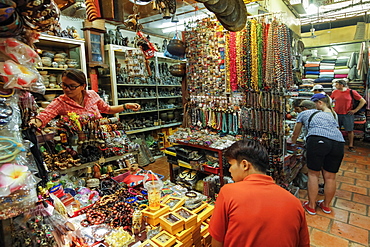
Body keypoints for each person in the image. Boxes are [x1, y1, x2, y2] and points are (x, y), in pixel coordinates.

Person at [208, 139, 310, 247]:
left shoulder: (228, 193)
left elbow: (217, 242)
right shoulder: (295, 203)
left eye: (231, 164)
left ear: (244, 165)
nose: (229, 170)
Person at [291, 93, 345, 215]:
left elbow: (295, 134)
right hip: (339, 142)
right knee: (330, 176)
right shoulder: (329, 115)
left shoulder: (303, 114)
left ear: (304, 108)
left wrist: (292, 144)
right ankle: (326, 206)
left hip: (318, 140)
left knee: (313, 174)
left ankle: (311, 206)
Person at [31, 69, 141, 128]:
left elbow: (107, 109)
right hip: (78, 144)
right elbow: (45, 115)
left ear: (83, 86)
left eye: (72, 86)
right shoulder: (60, 102)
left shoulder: (92, 95)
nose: (67, 89)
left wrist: (126, 106)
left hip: (101, 136)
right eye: (64, 85)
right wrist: (35, 123)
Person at [330, 79, 366, 152]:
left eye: (337, 84)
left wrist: (355, 110)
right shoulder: (335, 92)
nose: (335, 86)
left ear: (341, 85)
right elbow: (330, 101)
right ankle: (337, 144)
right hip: (337, 114)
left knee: (349, 130)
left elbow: (363, 101)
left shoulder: (351, 92)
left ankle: (351, 145)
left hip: (347, 114)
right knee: (336, 129)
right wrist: (332, 109)